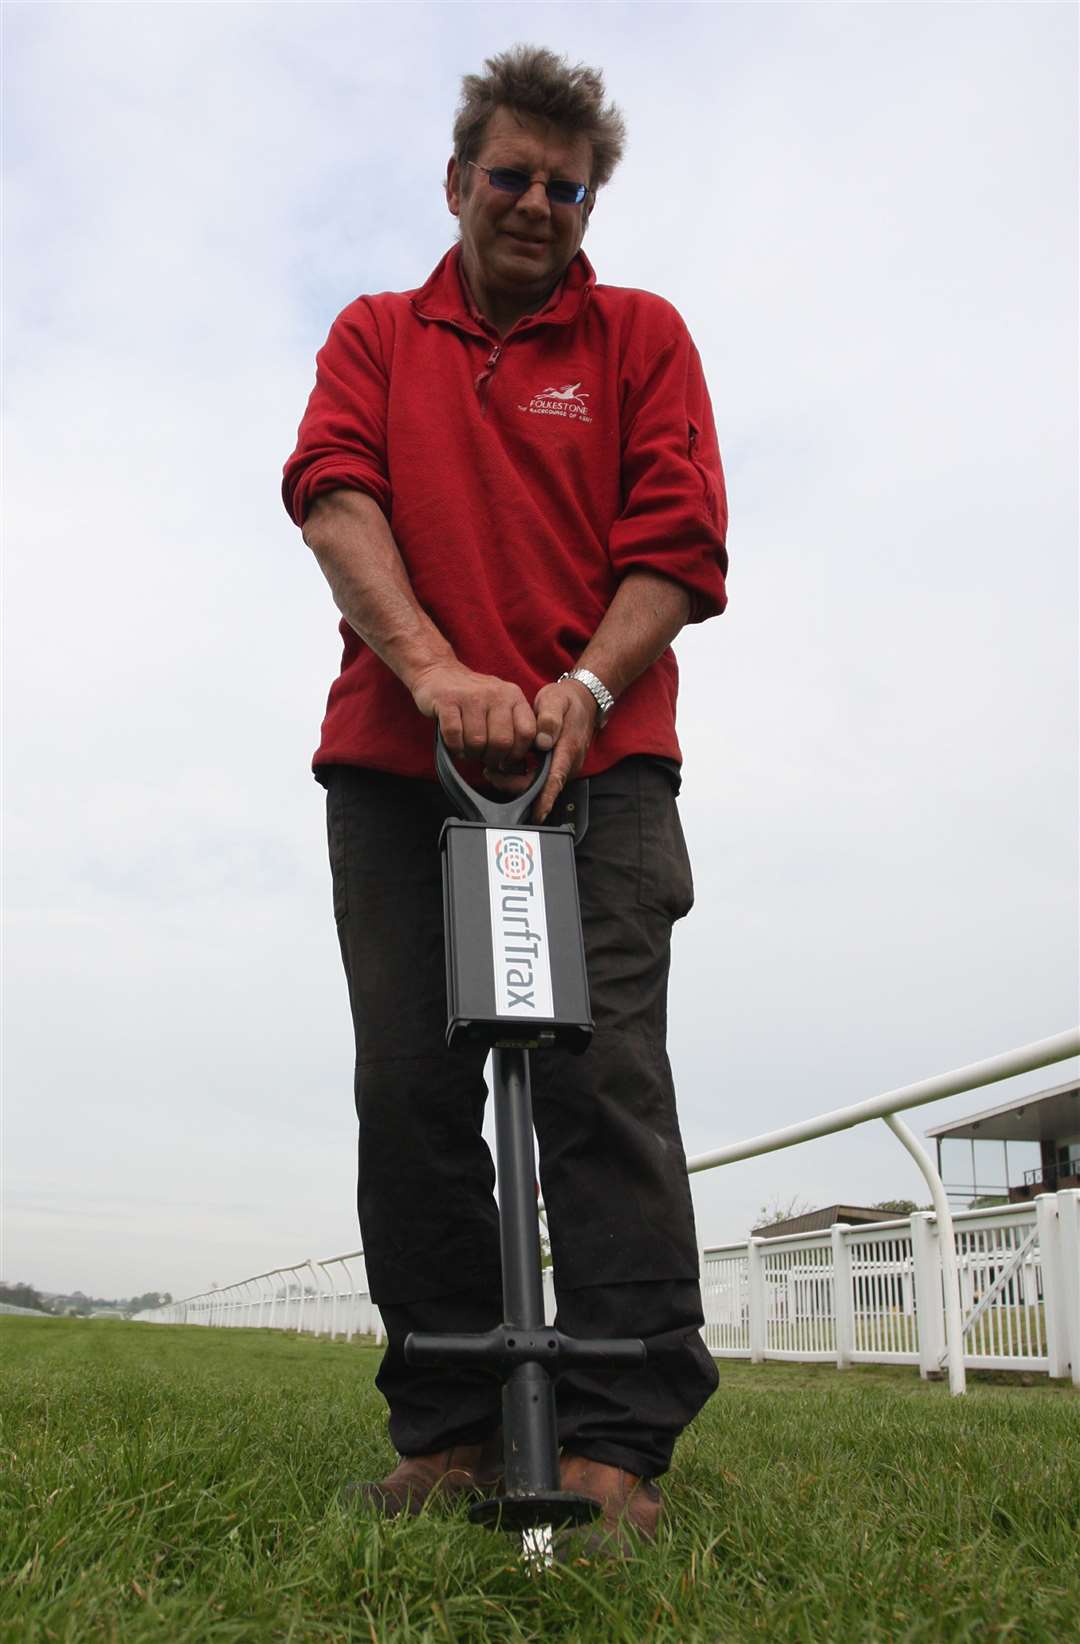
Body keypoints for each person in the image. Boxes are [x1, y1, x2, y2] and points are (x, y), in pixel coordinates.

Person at [282, 45, 728, 1555]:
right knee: (411, 1087)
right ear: (458, 176)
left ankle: (612, 1439)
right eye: (512, 175)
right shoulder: (374, 334)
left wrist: (581, 695)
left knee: (600, 1081)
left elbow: (676, 540)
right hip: (404, 772)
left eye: (567, 184)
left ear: (589, 202)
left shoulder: (643, 339)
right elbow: (334, 495)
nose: (538, 202)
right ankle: (458, 1426)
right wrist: (432, 671)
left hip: (599, 771)